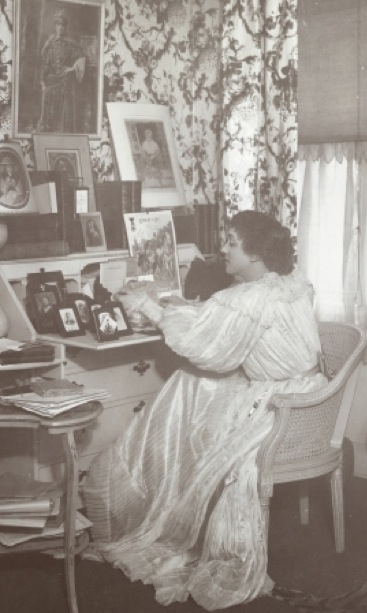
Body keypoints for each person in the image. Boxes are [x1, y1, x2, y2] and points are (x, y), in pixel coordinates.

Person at [83, 211, 327, 610]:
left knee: (191, 389)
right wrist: (179, 307)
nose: (223, 249)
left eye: (231, 241)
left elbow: (208, 348)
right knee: (192, 386)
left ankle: (144, 489)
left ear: (254, 251)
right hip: (307, 398)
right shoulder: (291, 283)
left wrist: (152, 307)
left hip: (279, 408)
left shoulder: (246, 297)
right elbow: (223, 322)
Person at [38, 10, 86, 133]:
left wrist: (71, 68)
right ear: (55, 26)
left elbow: (82, 57)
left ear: (65, 28)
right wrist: (43, 81)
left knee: (65, 94)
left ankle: (61, 130)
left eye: (63, 25)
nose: (60, 28)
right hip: (51, 79)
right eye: (58, 25)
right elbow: (45, 64)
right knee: (47, 96)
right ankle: (47, 129)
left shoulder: (70, 44)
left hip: (64, 78)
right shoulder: (50, 43)